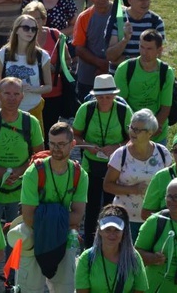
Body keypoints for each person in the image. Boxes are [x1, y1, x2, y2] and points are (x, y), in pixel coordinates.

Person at [20, 122, 88, 293]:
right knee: (30, 289)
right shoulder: (34, 172)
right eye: (52, 144)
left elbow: (78, 216)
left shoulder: (80, 174)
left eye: (61, 144)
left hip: (63, 238)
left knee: (65, 289)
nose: (56, 148)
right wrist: (61, 219)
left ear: (72, 144)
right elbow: (28, 217)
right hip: (34, 236)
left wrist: (47, 217)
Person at [0, 76, 44, 222]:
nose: (12, 98)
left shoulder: (31, 122)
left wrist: (21, 170)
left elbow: (40, 155)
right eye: (7, 93)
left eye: (16, 94)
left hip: (22, 192)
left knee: (18, 239)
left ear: (22, 97)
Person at [73, 74, 131, 248]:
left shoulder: (123, 111)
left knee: (113, 206)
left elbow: (133, 138)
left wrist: (117, 146)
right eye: (100, 97)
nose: (104, 100)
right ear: (94, 96)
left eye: (108, 96)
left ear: (114, 96)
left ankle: (114, 245)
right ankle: (90, 246)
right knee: (90, 208)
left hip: (115, 166)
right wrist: (88, 145)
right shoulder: (86, 109)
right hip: (91, 165)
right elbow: (75, 136)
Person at [104, 109, 172, 240]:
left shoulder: (163, 153)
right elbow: (107, 186)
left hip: (155, 217)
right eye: (131, 128)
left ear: (150, 133)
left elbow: (170, 183)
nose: (132, 132)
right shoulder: (120, 154)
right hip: (124, 218)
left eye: (138, 130)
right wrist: (133, 189)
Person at [22, 1, 73, 138]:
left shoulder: (55, 35)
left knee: (49, 132)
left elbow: (68, 60)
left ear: (43, 20)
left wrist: (54, 68)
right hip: (28, 95)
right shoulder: (20, 37)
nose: (32, 23)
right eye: (28, 18)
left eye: (36, 19)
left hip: (53, 94)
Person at [114, 29, 174, 144]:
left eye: (149, 48)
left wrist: (152, 128)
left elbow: (166, 107)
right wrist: (136, 130)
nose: (144, 52)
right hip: (130, 132)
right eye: (142, 47)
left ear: (159, 50)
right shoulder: (125, 69)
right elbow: (121, 104)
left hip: (156, 133)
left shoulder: (166, 72)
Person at [0, 13, 53, 124]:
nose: (30, 32)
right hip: (8, 109)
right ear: (16, 30)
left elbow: (49, 86)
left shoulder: (42, 56)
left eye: (34, 29)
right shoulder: (3, 53)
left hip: (33, 108)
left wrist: (32, 89)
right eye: (26, 28)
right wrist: (13, 89)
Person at [75, 204, 149, 293]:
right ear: (100, 231)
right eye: (107, 229)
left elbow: (140, 290)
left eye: (117, 230)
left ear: (123, 232)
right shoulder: (86, 258)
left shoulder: (134, 257)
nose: (112, 234)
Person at [105, 0, 165, 73]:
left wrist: (125, 60)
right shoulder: (118, 20)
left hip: (146, 77)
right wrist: (125, 39)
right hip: (119, 77)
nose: (145, 3)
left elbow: (156, 56)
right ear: (129, 0)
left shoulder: (156, 21)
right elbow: (111, 57)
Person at [73, 0, 112, 101]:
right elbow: (79, 48)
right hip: (88, 76)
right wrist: (101, 64)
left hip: (116, 73)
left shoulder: (122, 14)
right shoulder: (84, 17)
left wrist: (108, 66)